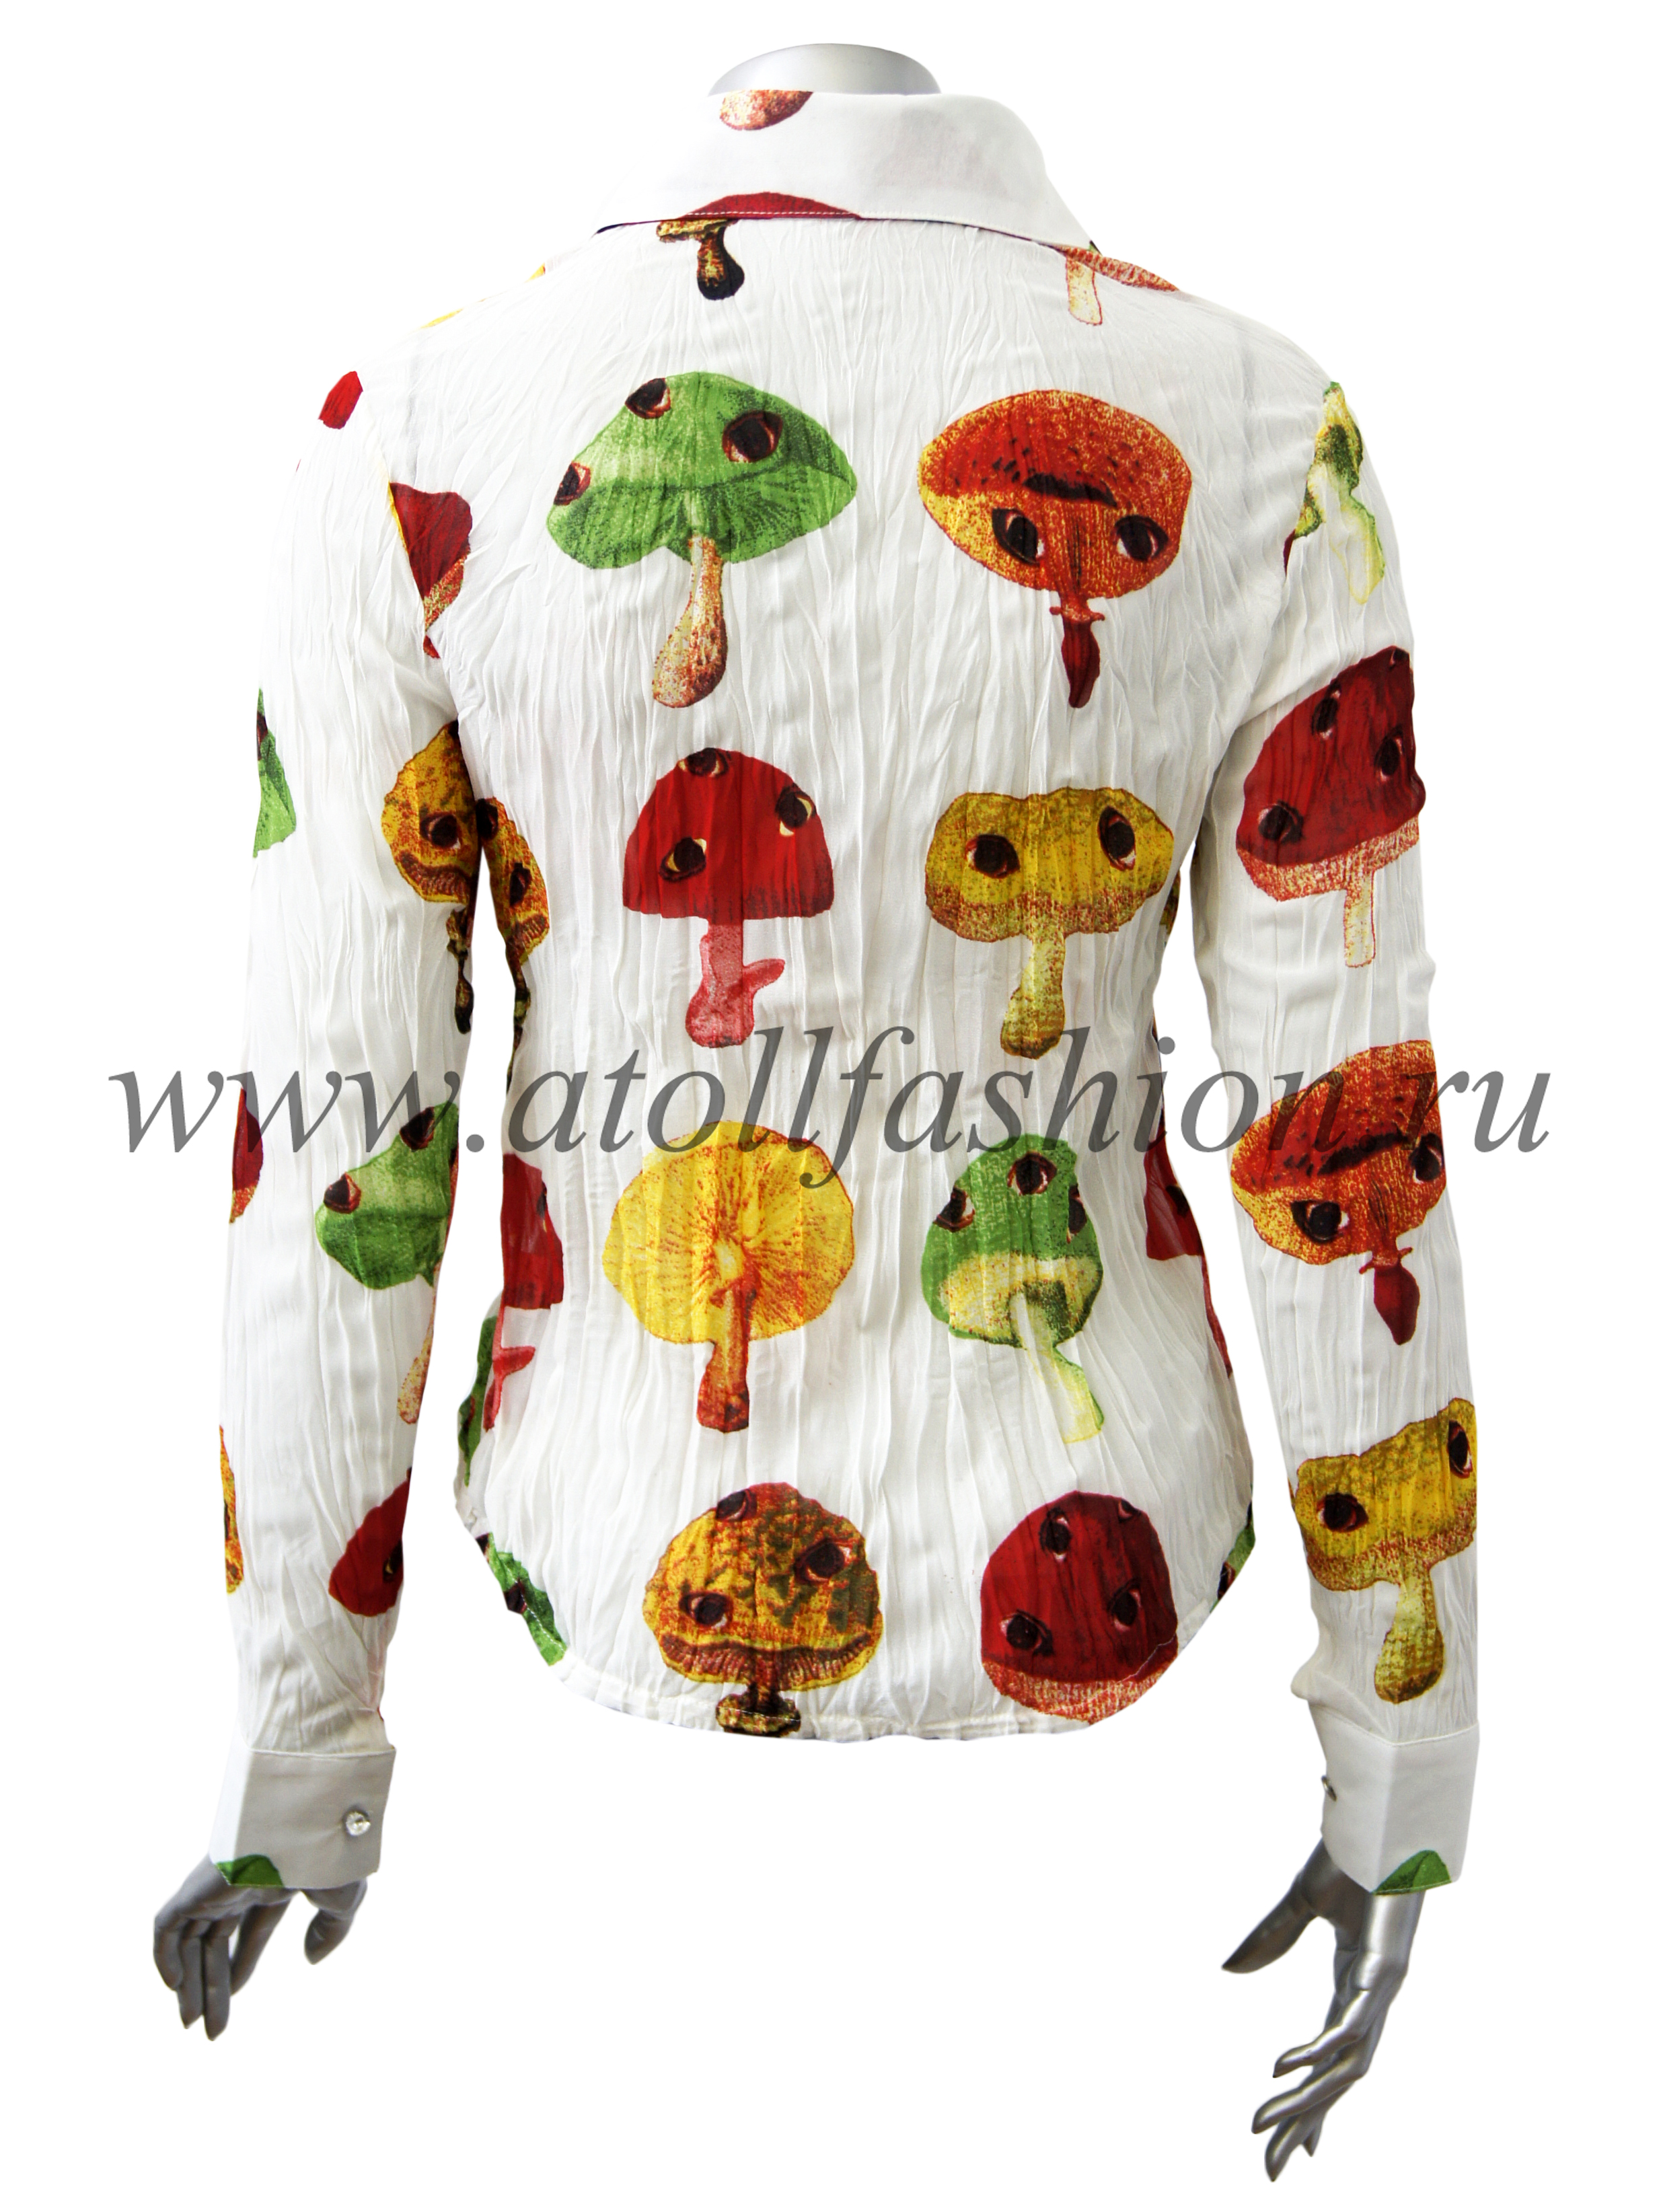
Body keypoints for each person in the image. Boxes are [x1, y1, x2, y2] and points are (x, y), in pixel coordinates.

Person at [155, 44, 1476, 2179]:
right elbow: (1350, 1126)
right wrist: (1400, 1770)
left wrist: (298, 1753)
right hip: (1123, 1670)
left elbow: (333, 1132)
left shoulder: (406, 428)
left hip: (588, 1678)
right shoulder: (1261, 424)